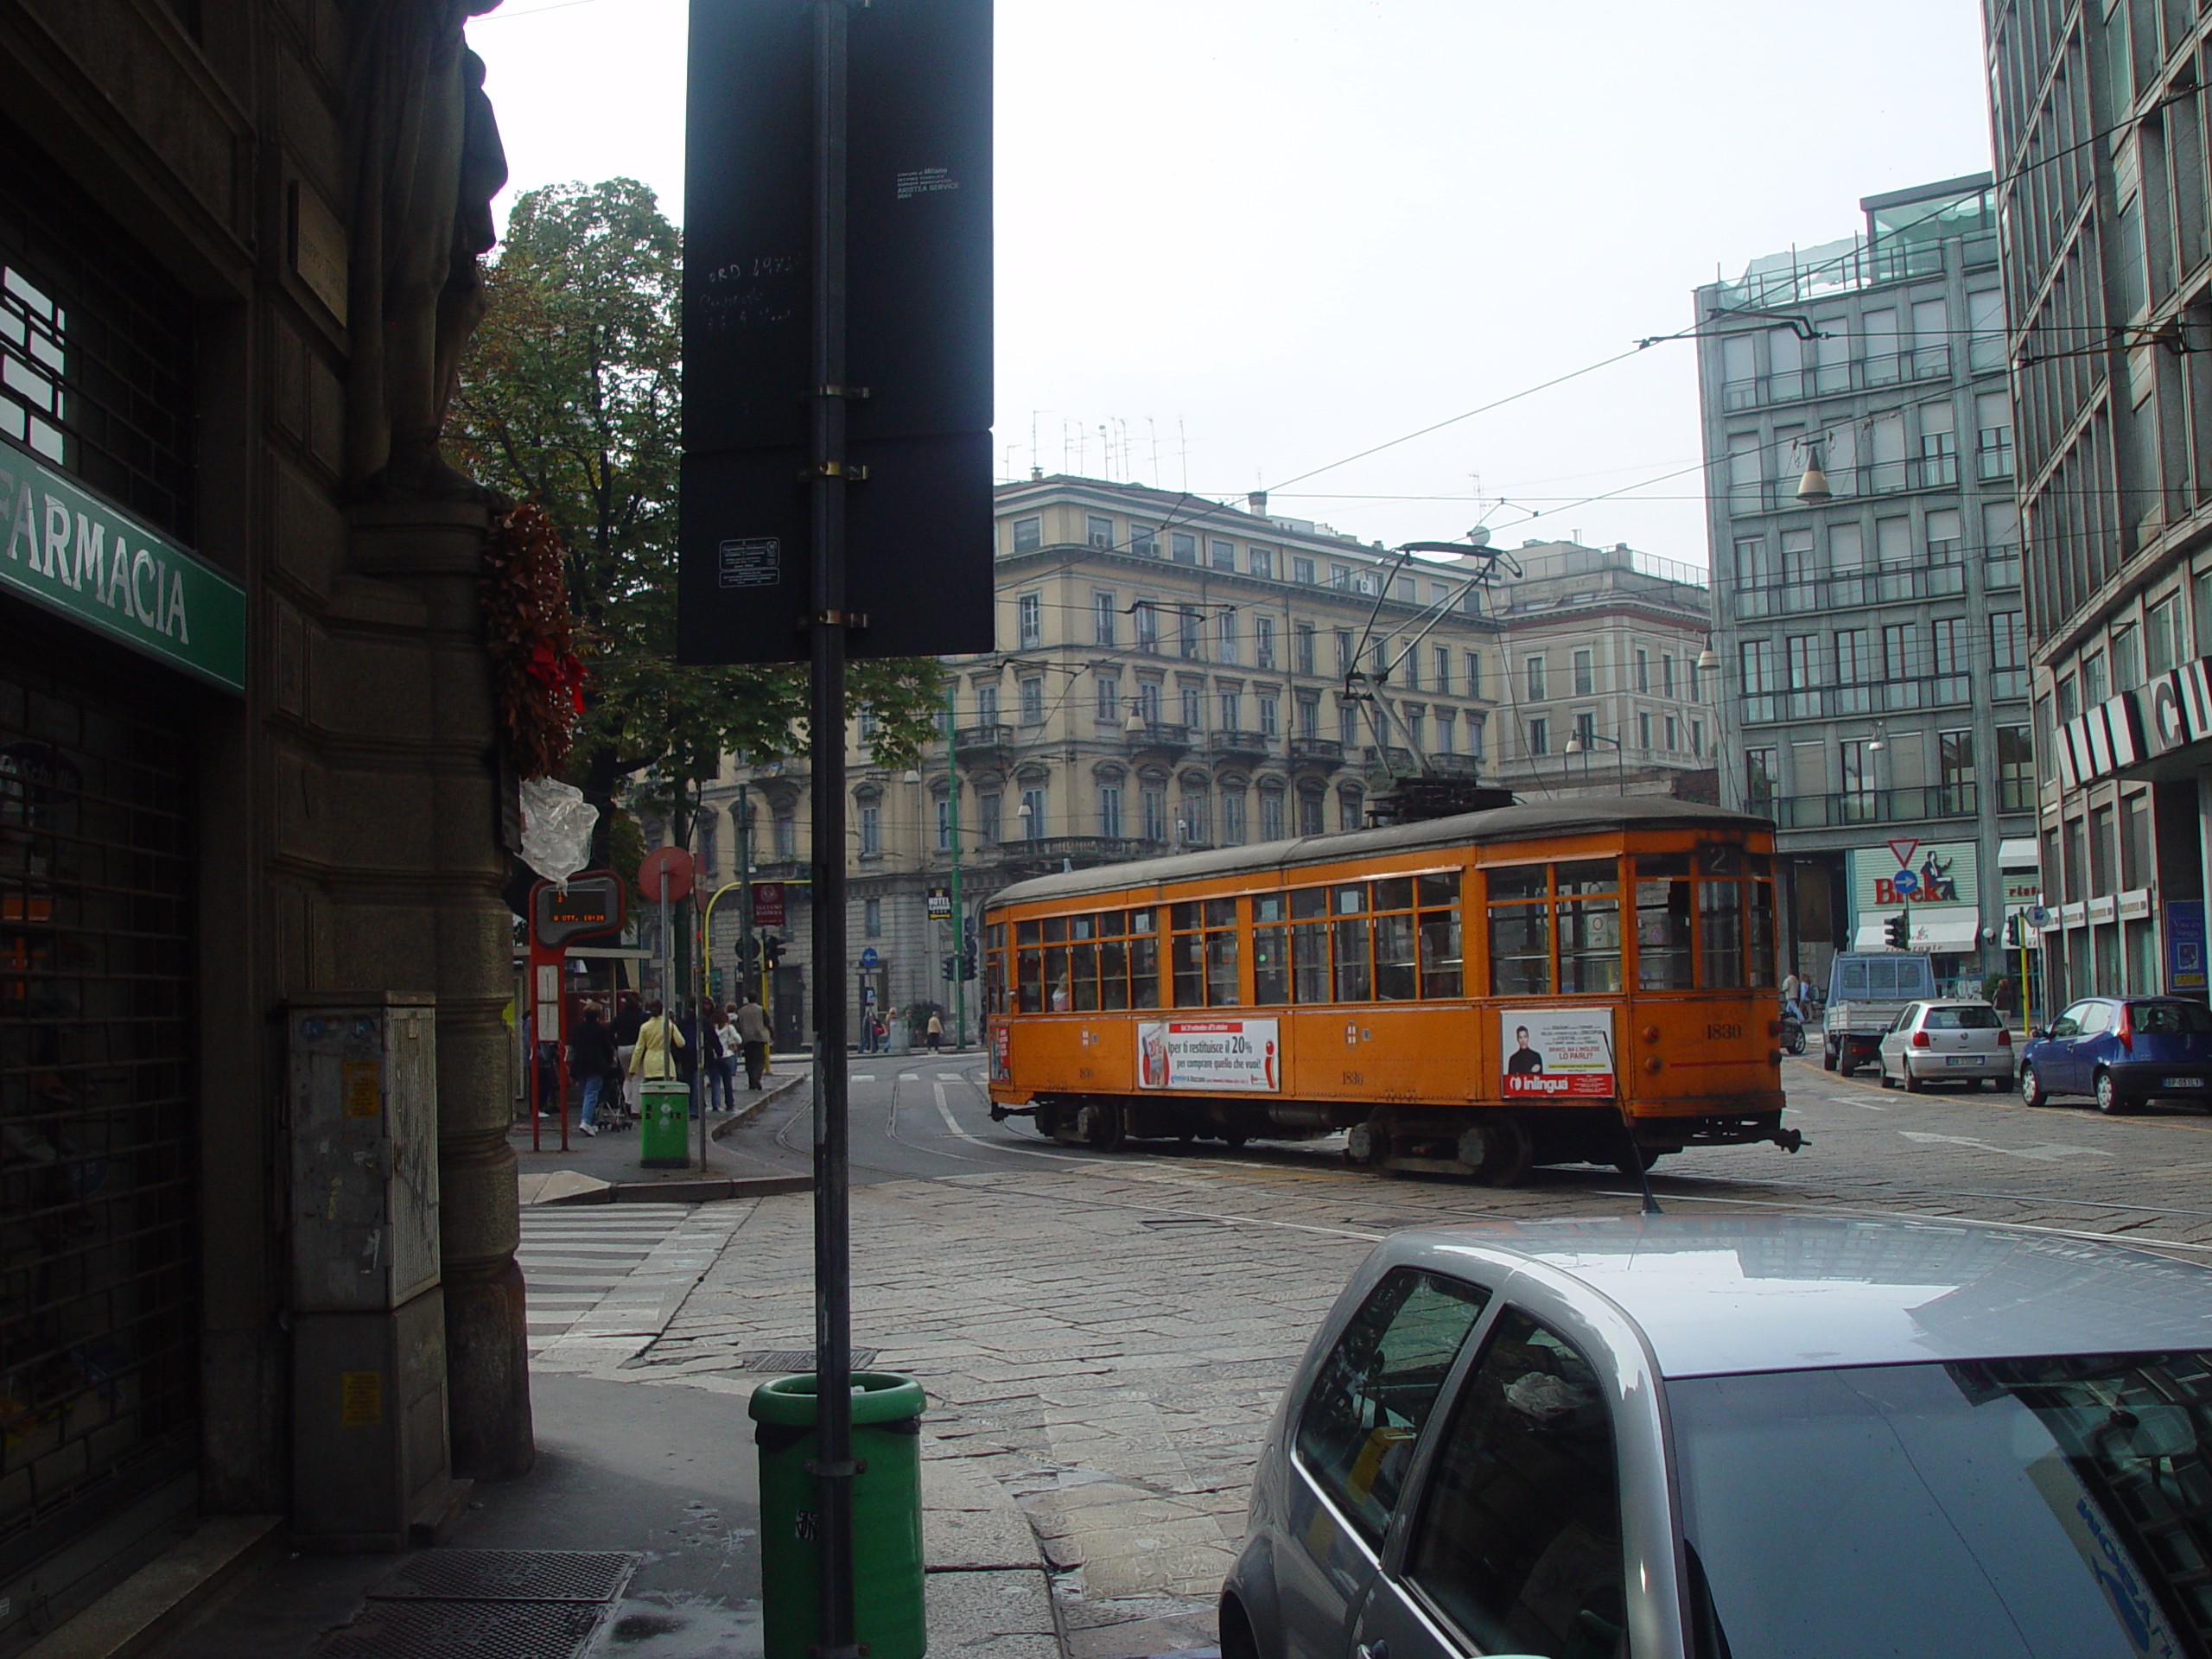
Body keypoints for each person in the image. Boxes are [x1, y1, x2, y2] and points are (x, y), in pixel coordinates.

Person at [569, 1001, 616, 1137]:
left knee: (585, 1094)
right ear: (598, 1015)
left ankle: (592, 1121)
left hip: (580, 1064)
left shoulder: (577, 1029)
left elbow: (574, 1046)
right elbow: (607, 1048)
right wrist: (610, 1061)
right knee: (592, 1093)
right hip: (596, 1065)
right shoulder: (601, 1030)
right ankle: (586, 1121)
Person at [632, 1001, 685, 1111]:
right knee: (667, 1092)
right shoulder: (669, 1025)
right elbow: (681, 1043)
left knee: (650, 1093)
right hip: (665, 1062)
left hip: (650, 1063)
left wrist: (633, 1067)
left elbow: (639, 1048)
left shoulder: (645, 1027)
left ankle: (650, 1114)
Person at [611, 991, 646, 1124]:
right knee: (638, 1077)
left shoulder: (620, 1016)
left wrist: (616, 1044)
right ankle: (635, 1109)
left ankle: (626, 1101)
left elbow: (610, 1031)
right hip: (637, 1048)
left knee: (627, 1076)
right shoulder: (641, 1017)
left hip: (622, 1048)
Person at [705, 1001, 737, 1114]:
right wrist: (731, 1043)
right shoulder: (729, 1028)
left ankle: (715, 1104)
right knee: (727, 1082)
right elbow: (739, 1040)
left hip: (714, 1056)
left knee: (715, 1082)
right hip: (727, 1055)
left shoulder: (711, 1028)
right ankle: (729, 1104)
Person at [735, 994, 771, 1090]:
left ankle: (752, 1082)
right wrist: (772, 1033)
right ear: (756, 999)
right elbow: (767, 1022)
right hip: (759, 1038)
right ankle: (757, 1078)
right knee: (759, 1060)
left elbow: (738, 1025)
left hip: (747, 1038)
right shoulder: (760, 1009)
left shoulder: (741, 1011)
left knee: (749, 1060)